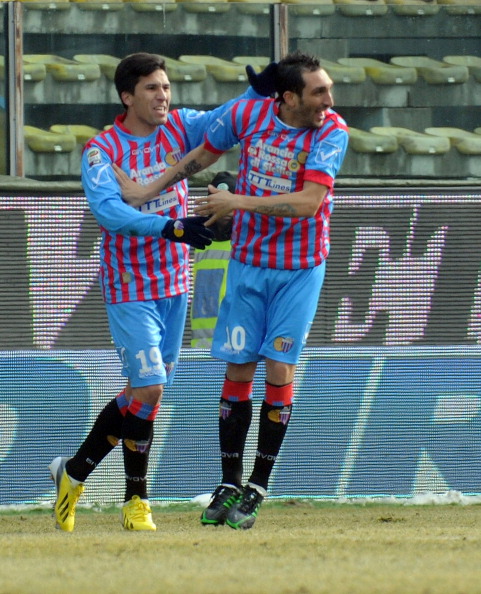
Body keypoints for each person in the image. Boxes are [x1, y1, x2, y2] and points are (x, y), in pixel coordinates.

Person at [114, 51, 349, 530]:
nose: (329, 100)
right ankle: (229, 482)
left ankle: (258, 487)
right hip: (248, 263)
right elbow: (203, 154)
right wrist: (147, 190)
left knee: (279, 367)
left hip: (300, 268)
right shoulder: (248, 114)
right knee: (238, 367)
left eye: (329, 89)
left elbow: (309, 204)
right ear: (288, 98)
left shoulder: (331, 131)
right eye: (319, 91)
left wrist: (236, 201)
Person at [49, 52, 278, 532]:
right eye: (152, 88)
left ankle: (73, 473)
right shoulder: (101, 151)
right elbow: (110, 213)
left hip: (174, 285)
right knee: (150, 386)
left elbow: (225, 122)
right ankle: (137, 501)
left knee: (142, 393)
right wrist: (170, 227)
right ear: (126, 96)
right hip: (130, 287)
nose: (163, 96)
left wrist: (257, 93)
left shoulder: (180, 127)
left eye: (166, 87)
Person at [190, 171, 236, 348]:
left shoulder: (248, 239)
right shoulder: (196, 237)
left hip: (238, 340)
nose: (225, 209)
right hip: (202, 346)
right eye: (219, 203)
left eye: (229, 202)